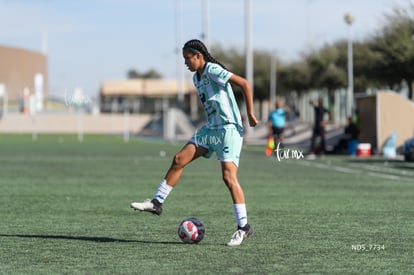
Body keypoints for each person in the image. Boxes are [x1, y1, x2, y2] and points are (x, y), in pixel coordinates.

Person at [130, 39, 259, 246]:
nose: (186, 63)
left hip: (228, 128)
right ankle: (157, 203)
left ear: (198, 56)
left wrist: (250, 114)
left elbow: (244, 83)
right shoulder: (196, 79)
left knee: (228, 177)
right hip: (210, 129)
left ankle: (243, 227)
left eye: (187, 58)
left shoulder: (213, 70)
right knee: (179, 159)